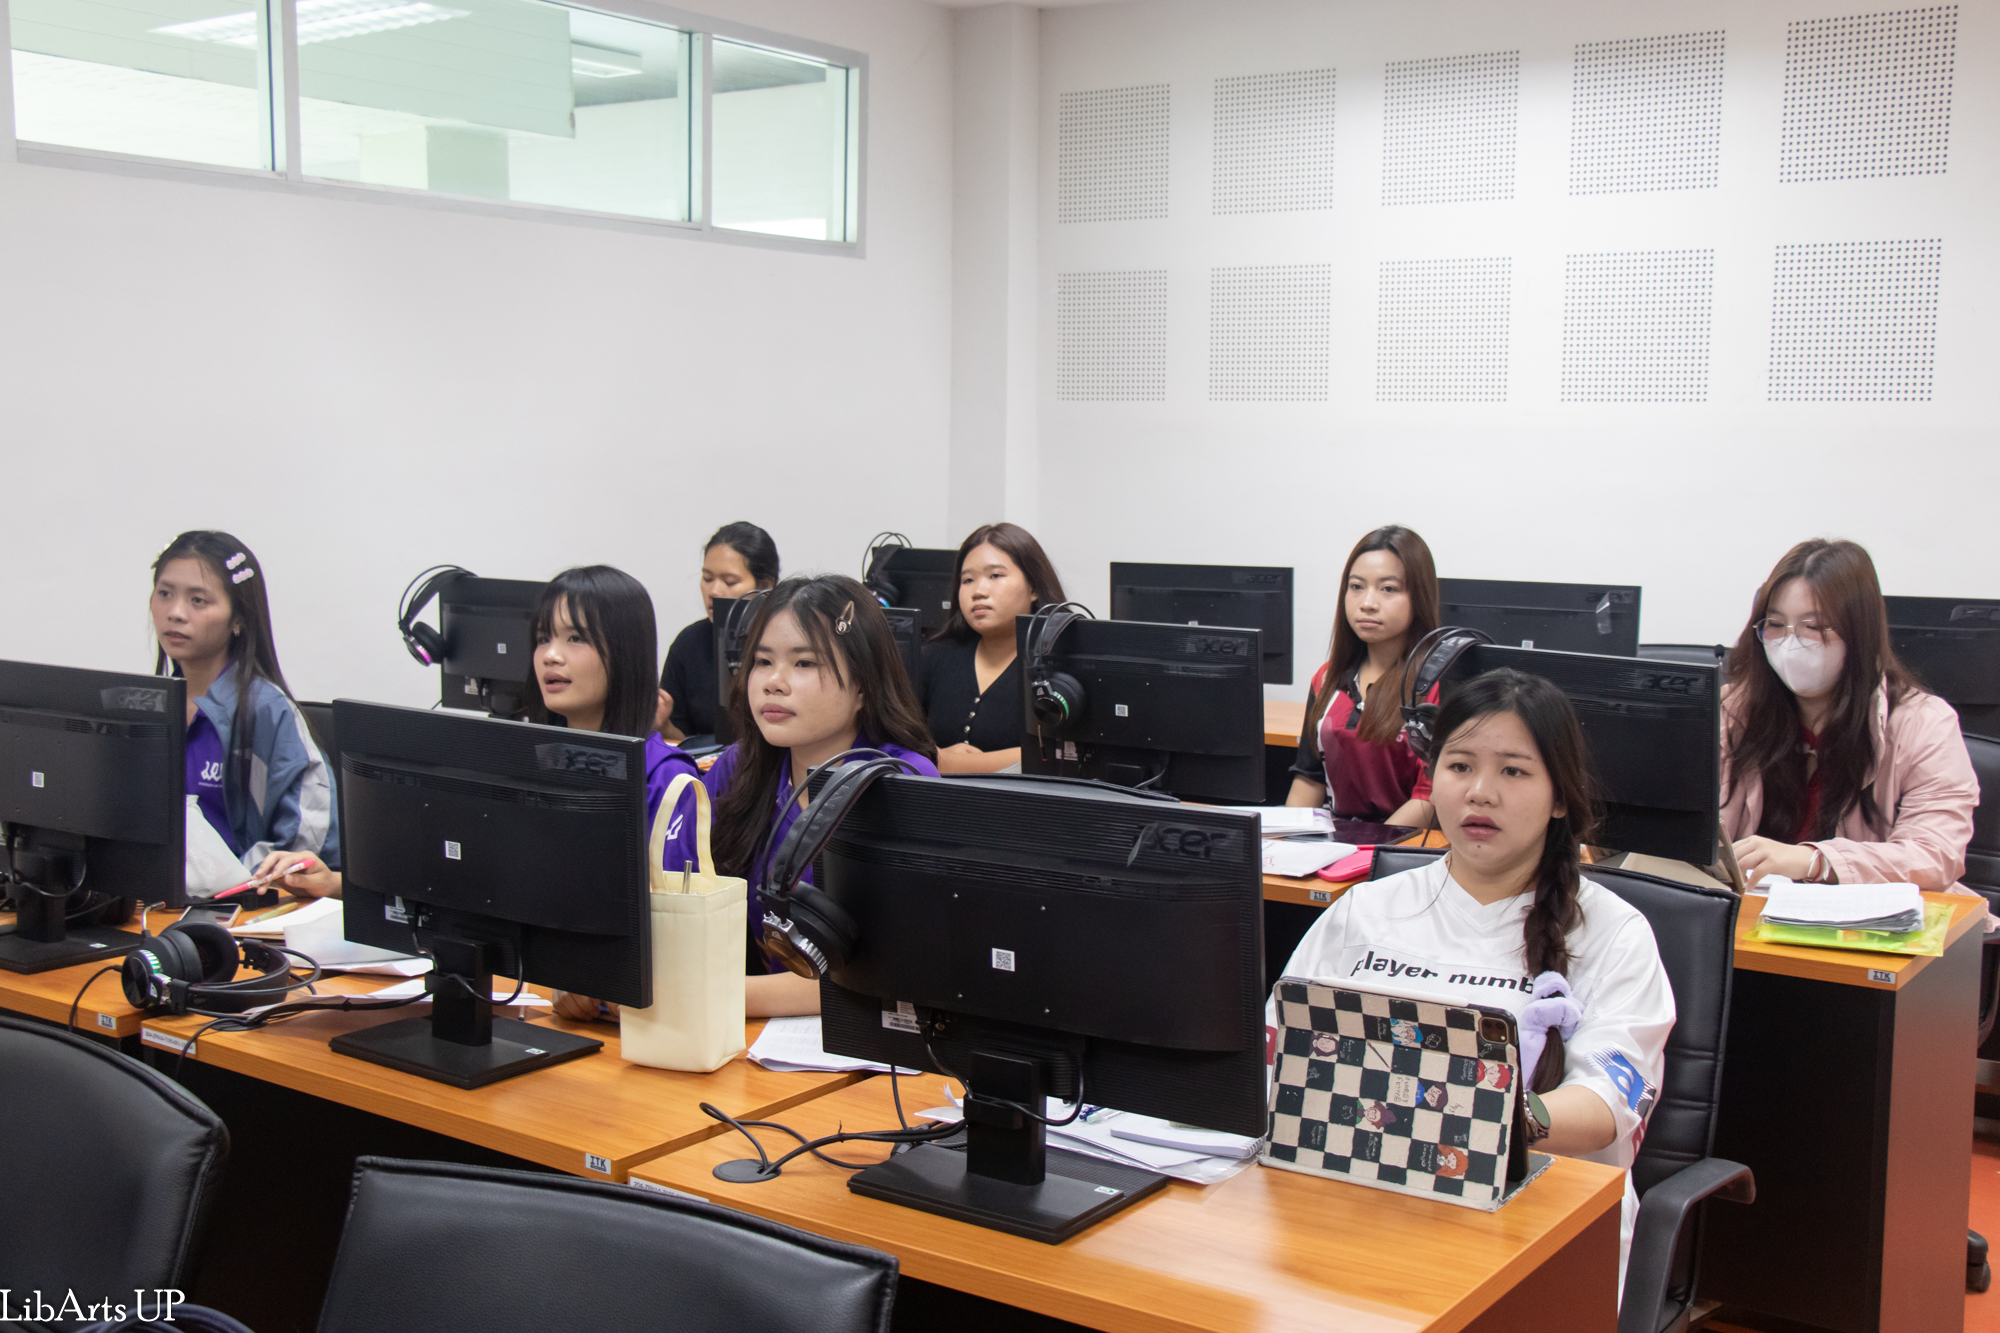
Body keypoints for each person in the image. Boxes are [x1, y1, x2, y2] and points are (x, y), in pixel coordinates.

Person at [1274, 668, 1673, 1284]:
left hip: (1539, 1226)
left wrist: (1476, 1120)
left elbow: (1606, 1105)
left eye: (1514, 771)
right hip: (1361, 1204)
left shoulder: (1614, 932)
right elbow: (1277, 1052)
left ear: (1560, 797)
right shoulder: (1366, 910)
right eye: (1460, 767)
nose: (1480, 793)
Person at [265, 567, 700, 939]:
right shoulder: (530, 762)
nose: (550, 655)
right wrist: (335, 883)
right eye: (543, 638)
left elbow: (672, 931)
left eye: (575, 639)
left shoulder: (666, 778)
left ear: (624, 653)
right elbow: (467, 884)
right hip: (526, 979)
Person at [706, 575, 939, 1017]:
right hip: (757, 1029)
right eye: (762, 661)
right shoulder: (739, 767)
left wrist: (701, 996)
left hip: (862, 1037)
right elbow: (676, 897)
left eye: (804, 663)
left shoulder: (901, 780)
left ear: (863, 686)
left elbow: (882, 970)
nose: (774, 682)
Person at [1721, 539, 1979, 891]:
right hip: (1754, 910)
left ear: (1858, 634)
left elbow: (1935, 854)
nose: (1790, 643)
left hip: (1871, 919)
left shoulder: (1924, 723)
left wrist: (1816, 861)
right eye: (1776, 624)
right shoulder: (1733, 713)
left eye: (1814, 627)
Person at [151, 531, 338, 885]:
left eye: (198, 600)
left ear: (238, 618)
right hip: (160, 898)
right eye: (165, 594)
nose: (175, 613)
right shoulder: (145, 705)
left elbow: (306, 852)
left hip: (248, 901)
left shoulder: (267, 711)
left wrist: (235, 879)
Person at [1286, 525, 1439, 826]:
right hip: (1336, 839)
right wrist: (1287, 839)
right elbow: (1310, 778)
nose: (1367, 603)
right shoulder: (1326, 678)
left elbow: (1428, 798)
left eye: (1388, 589)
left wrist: (1370, 849)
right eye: (1356, 586)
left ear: (1418, 598)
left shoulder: (1437, 685)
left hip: (1403, 843)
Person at [915, 522, 1067, 775]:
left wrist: (947, 762)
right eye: (967, 580)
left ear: (1033, 586)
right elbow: (892, 743)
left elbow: (1063, 755)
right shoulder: (933, 656)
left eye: (995, 576)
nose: (978, 591)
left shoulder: (1060, 665)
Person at [659, 523, 780, 744]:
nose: (713, 591)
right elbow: (683, 743)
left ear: (765, 586)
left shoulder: (784, 642)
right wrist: (664, 726)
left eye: (729, 581)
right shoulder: (688, 643)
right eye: (707, 578)